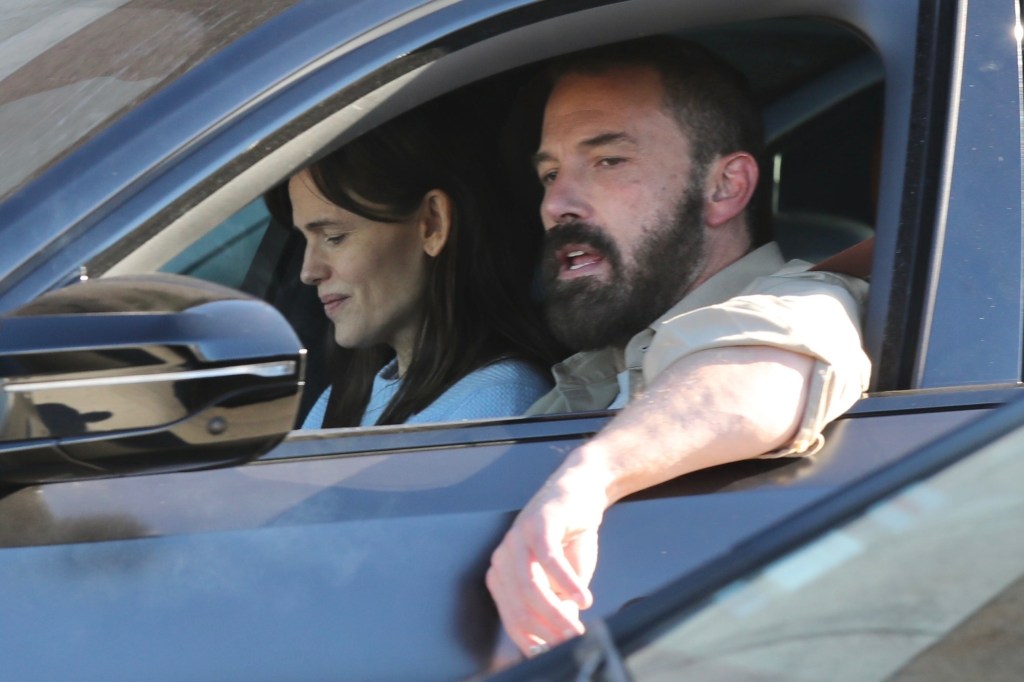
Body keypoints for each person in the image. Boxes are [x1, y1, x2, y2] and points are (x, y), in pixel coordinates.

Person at [485, 37, 872, 656]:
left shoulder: (809, 300)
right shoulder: (599, 368)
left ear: (725, 186)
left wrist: (589, 480)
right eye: (550, 173)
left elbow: (760, 373)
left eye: (608, 160)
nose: (557, 203)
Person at [265, 102, 561, 428]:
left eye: (334, 237)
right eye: (304, 241)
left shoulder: (495, 400)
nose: (308, 272)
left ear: (432, 224)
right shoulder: (342, 398)